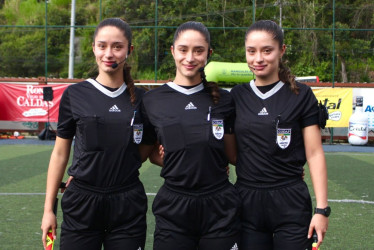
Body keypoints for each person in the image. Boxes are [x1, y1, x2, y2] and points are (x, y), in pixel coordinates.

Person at [41, 17, 155, 250]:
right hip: (82, 203)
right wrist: (48, 210)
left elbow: (141, 151)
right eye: (102, 46)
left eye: (117, 46)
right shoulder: (75, 94)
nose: (109, 53)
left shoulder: (144, 100)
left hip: (127, 204)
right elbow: (60, 154)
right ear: (93, 47)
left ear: (129, 50)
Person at [141, 21, 241, 250]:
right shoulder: (153, 100)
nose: (190, 57)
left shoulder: (225, 100)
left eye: (198, 51)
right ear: (173, 51)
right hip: (174, 206)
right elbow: (147, 153)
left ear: (209, 54)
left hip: (219, 204)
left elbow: (232, 153)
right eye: (184, 49)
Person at [230, 20, 329, 250]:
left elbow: (314, 154)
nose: (258, 58)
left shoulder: (301, 95)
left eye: (267, 50)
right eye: (251, 51)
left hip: (290, 201)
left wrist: (322, 209)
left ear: (281, 50)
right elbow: (232, 152)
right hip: (247, 202)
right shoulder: (236, 96)